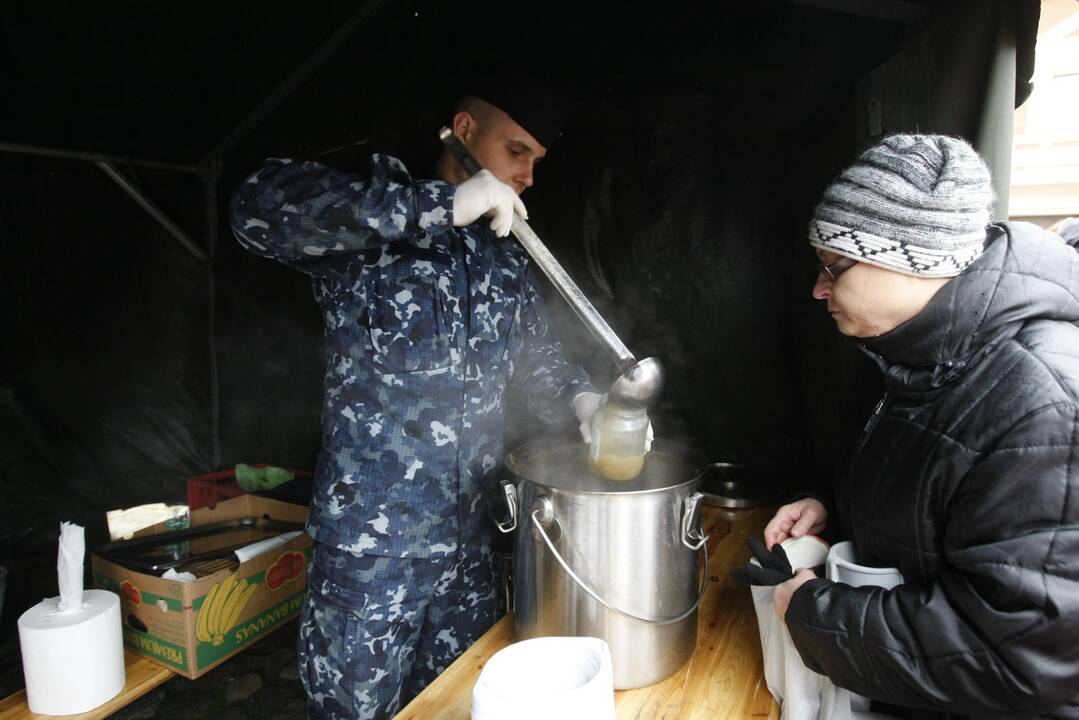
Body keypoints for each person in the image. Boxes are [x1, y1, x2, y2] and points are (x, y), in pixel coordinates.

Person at [229, 79, 602, 720]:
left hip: (473, 542)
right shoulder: (377, 221)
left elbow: (536, 359)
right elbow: (255, 210)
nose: (529, 175)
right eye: (517, 151)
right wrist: (436, 206)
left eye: (537, 160)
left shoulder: (503, 254)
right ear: (463, 130)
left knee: (464, 704)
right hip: (374, 547)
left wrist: (583, 399)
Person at [763, 134, 1079, 718]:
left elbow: (1017, 654)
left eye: (833, 266)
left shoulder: (1046, 405)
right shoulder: (908, 351)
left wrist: (818, 616)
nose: (818, 288)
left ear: (910, 259)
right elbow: (929, 481)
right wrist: (828, 504)